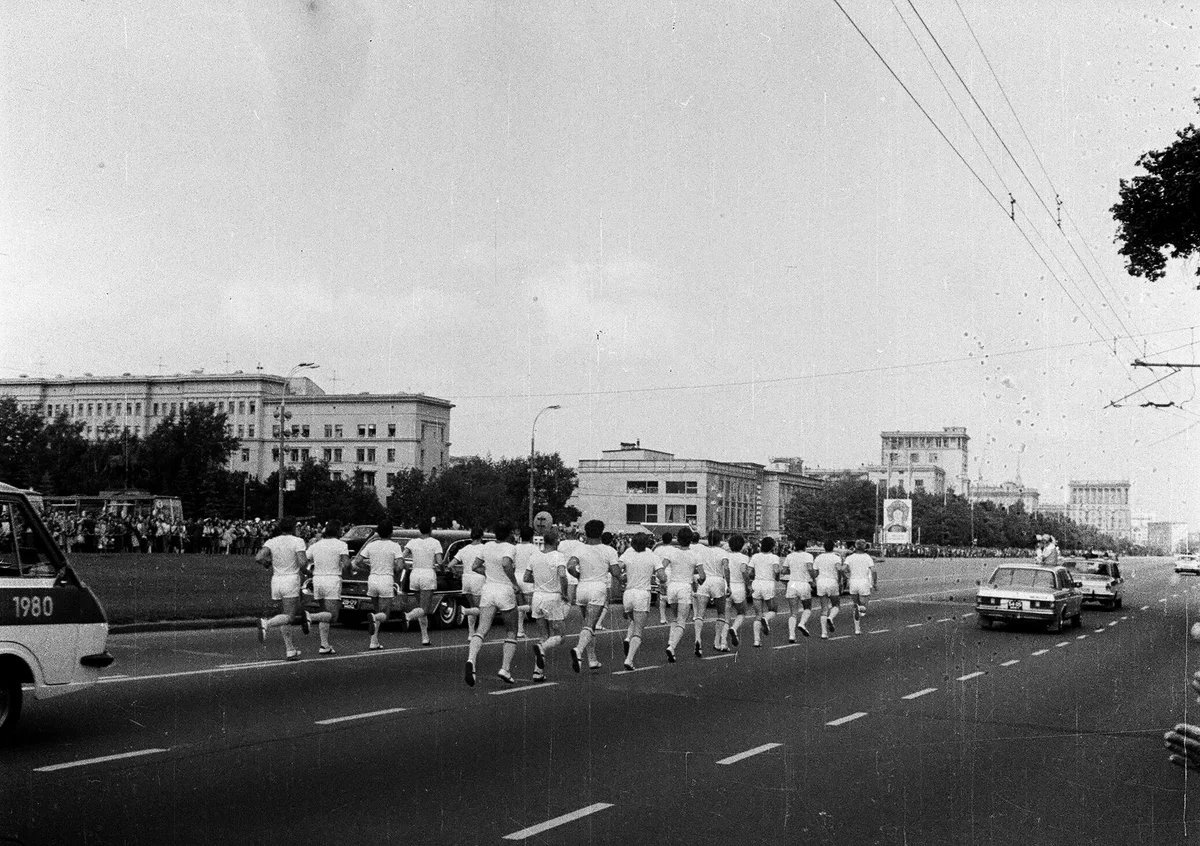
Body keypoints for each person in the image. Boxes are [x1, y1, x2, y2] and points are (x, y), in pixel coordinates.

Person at [464, 522, 523, 685]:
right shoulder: (510, 547)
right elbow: (506, 564)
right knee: (511, 630)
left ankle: (471, 660)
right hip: (504, 590)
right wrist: (514, 582)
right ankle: (505, 668)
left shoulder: (487, 546)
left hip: (488, 589)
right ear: (509, 533)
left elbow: (475, 566)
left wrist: (489, 572)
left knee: (482, 629)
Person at [563, 519, 620, 672]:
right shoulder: (609, 550)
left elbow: (570, 566)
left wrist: (578, 574)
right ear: (601, 532)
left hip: (582, 588)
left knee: (588, 625)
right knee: (590, 624)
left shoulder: (579, 549)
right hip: (598, 588)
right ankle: (578, 650)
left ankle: (592, 659)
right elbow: (615, 572)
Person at [255, 517, 310, 661]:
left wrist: (268, 563)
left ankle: (290, 649)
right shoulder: (297, 541)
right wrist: (309, 571)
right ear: (292, 528)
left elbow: (259, 557)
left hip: (276, 580)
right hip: (291, 579)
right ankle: (266, 623)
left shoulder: (272, 541)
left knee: (284, 616)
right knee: (290, 616)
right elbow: (303, 563)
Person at [352, 521, 405, 651]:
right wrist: (393, 569)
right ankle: (374, 620)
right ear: (391, 532)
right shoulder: (395, 546)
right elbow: (399, 566)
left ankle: (373, 641)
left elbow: (356, 562)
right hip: (386, 579)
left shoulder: (371, 545)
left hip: (372, 579)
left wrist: (368, 567)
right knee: (384, 614)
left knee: (377, 610)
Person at [525, 530, 569, 683]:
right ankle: (542, 649)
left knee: (543, 636)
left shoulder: (534, 556)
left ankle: (538, 672)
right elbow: (562, 576)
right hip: (553, 597)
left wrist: (539, 581)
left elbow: (526, 577)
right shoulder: (558, 556)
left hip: (537, 597)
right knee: (560, 636)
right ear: (556, 541)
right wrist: (564, 593)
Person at [304, 520, 349, 655]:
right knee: (333, 616)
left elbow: (304, 561)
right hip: (332, 579)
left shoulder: (316, 545)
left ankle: (324, 645)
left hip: (317, 579)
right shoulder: (341, 545)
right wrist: (350, 569)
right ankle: (310, 617)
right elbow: (346, 564)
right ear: (338, 531)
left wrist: (308, 572)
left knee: (324, 612)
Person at [618, 532, 661, 670]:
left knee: (633, 620)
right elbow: (662, 576)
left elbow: (618, 568)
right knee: (639, 629)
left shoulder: (628, 553)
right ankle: (629, 659)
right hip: (642, 594)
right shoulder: (652, 556)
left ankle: (627, 638)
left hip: (628, 594)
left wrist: (622, 577)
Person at [659, 527, 701, 663]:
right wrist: (699, 581)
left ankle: (671, 640)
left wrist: (663, 580)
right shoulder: (695, 555)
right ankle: (672, 647)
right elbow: (703, 575)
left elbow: (661, 567)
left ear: (678, 539)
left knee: (674, 618)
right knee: (682, 620)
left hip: (672, 586)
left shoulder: (672, 552)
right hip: (684, 587)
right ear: (690, 539)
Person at [401, 520, 443, 646]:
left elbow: (401, 556)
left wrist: (406, 568)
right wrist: (442, 570)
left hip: (415, 574)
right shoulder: (435, 543)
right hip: (428, 574)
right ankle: (408, 616)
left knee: (421, 607)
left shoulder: (412, 542)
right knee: (424, 609)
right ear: (430, 529)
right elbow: (440, 562)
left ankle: (425, 637)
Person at [693, 529, 730, 655]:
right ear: (720, 540)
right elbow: (726, 568)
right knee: (721, 613)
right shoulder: (723, 552)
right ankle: (717, 641)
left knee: (700, 613)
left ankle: (698, 638)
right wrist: (728, 585)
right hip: (718, 581)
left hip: (705, 581)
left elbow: (697, 567)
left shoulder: (701, 551)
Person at [452, 527, 487, 640]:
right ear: (481, 536)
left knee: (473, 606)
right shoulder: (484, 548)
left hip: (466, 579)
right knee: (481, 608)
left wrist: (455, 573)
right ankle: (477, 632)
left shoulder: (464, 549)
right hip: (479, 579)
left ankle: (471, 633)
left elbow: (450, 564)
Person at [748, 536, 780, 647]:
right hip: (768, 584)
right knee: (773, 609)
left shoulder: (755, 556)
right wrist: (777, 577)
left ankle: (756, 641)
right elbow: (776, 570)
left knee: (757, 614)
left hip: (757, 583)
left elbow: (749, 571)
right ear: (772, 547)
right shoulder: (774, 557)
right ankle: (766, 619)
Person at [783, 535, 815, 641]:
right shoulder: (808, 556)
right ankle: (802, 623)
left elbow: (784, 570)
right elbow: (810, 568)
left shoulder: (789, 556)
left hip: (792, 584)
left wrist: (793, 570)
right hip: (803, 583)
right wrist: (814, 578)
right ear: (805, 546)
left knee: (793, 612)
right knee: (807, 607)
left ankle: (791, 635)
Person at [813, 538, 845, 640]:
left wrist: (815, 580)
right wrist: (840, 581)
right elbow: (839, 569)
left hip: (821, 582)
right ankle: (830, 617)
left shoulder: (818, 558)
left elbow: (815, 572)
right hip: (832, 582)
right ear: (833, 547)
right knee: (836, 605)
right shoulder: (836, 557)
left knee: (824, 608)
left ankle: (824, 633)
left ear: (824, 547)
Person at [844, 539, 876, 636]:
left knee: (855, 605)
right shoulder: (867, 557)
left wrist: (846, 576)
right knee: (863, 605)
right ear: (864, 547)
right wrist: (875, 583)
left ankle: (857, 628)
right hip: (864, 582)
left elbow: (843, 568)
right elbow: (873, 570)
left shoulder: (850, 557)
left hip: (853, 582)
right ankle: (861, 613)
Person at [724, 534, 751, 648]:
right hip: (739, 587)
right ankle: (734, 628)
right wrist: (748, 583)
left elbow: (725, 570)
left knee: (725, 617)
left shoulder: (726, 556)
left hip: (727, 587)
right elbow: (743, 570)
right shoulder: (744, 558)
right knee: (742, 612)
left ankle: (723, 643)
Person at [512, 526, 538, 638]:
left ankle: (520, 629)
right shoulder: (534, 548)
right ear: (531, 536)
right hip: (528, 578)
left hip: (516, 577)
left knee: (520, 604)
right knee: (533, 606)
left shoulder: (515, 547)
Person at [656, 531, 675, 625]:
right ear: (671, 540)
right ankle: (673, 617)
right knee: (671, 596)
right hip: (670, 574)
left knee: (662, 597)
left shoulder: (657, 549)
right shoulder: (673, 549)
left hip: (659, 574)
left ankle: (663, 618)